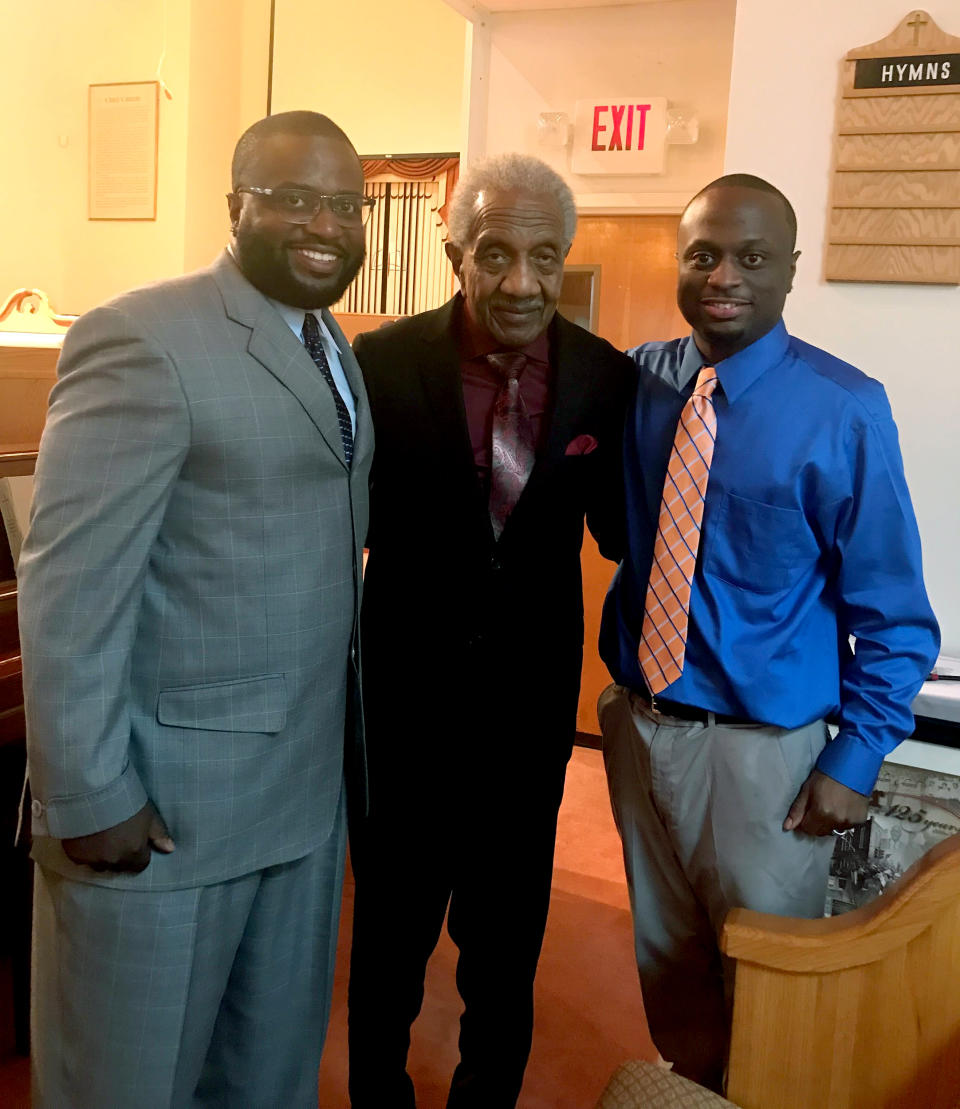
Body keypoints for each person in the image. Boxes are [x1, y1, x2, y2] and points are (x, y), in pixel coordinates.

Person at [19, 110, 372, 1108]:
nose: (326, 224)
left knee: (264, 1082)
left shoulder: (332, 347)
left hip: (299, 806)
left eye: (344, 204)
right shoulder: (142, 337)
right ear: (235, 207)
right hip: (164, 816)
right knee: (126, 1086)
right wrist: (88, 794)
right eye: (293, 197)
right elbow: (71, 583)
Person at [598, 173, 940, 1091]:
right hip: (639, 726)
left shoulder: (843, 407)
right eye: (703, 254)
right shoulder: (640, 381)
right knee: (668, 965)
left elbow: (897, 617)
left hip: (763, 760)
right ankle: (687, 1092)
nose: (724, 276)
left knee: (774, 985)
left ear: (791, 269)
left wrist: (854, 760)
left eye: (752, 258)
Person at [347, 153, 636, 1108]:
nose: (523, 282)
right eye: (497, 254)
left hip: (525, 724)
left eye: (545, 257)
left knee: (506, 953)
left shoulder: (604, 380)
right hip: (400, 715)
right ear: (454, 250)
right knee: (388, 945)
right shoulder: (380, 366)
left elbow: (624, 534)